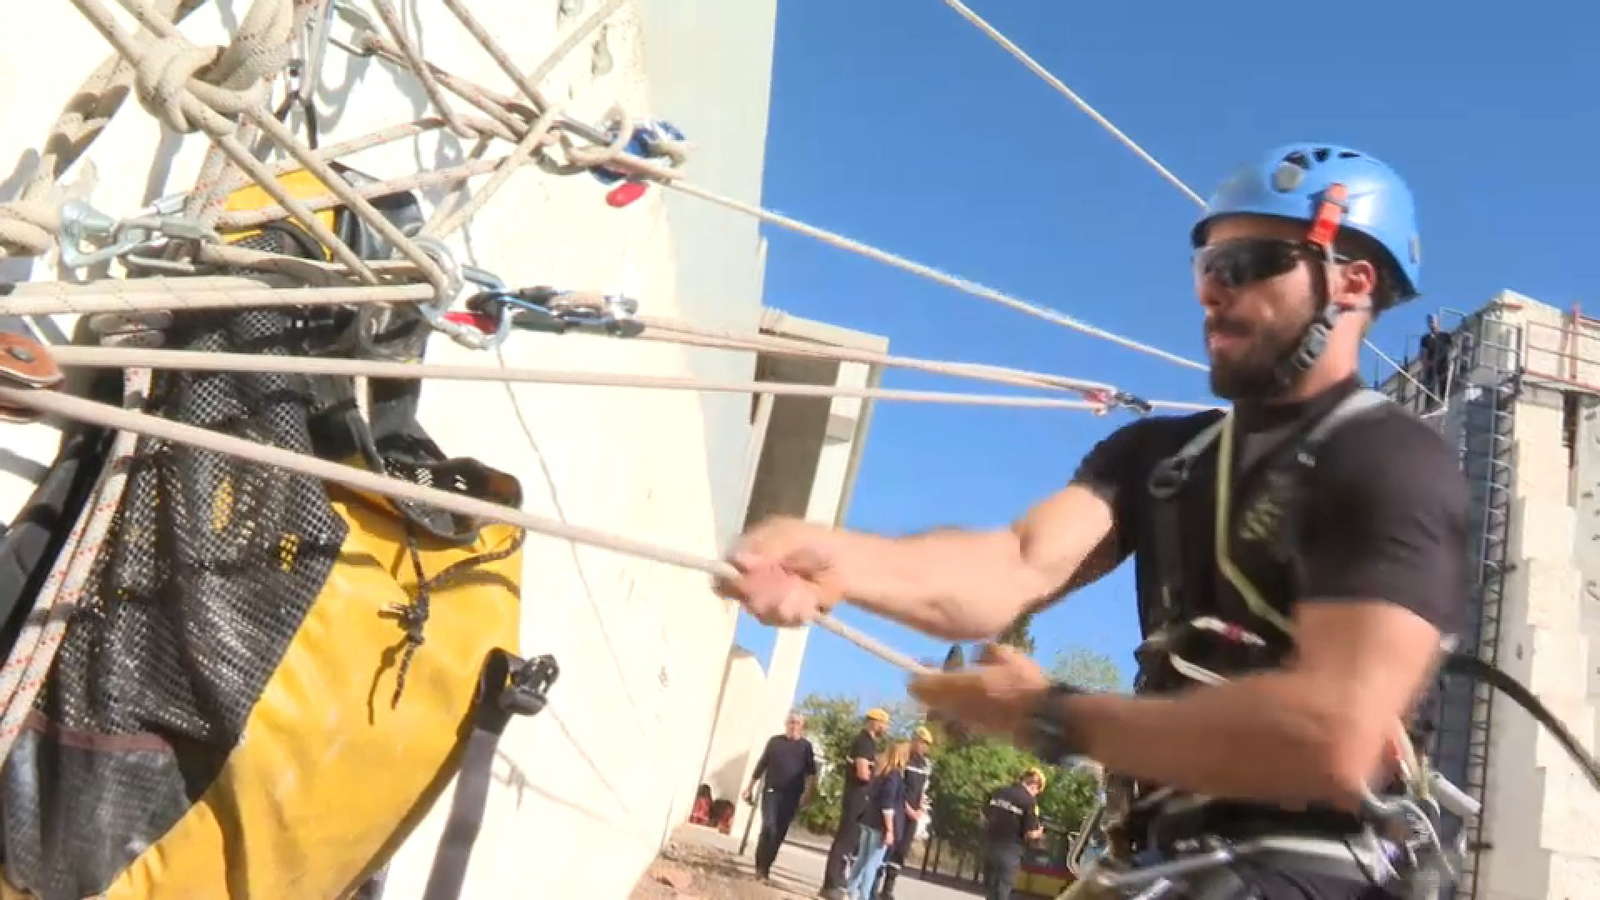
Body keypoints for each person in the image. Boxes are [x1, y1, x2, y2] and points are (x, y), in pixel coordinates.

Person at [716, 143, 1468, 900]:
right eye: (1207, 265)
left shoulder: (1390, 462)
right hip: (1157, 860)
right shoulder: (1158, 458)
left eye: (1245, 264)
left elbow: (1334, 734)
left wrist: (1055, 718)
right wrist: (843, 564)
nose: (1212, 292)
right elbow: (1015, 563)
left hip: (1314, 870)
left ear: (1351, 280)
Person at [820, 708, 890, 899]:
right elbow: (862, 773)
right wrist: (876, 775)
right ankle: (831, 884)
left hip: (860, 797)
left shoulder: (868, 743)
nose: (885, 727)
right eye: (883, 723)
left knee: (850, 842)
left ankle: (836, 881)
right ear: (873, 722)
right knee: (845, 840)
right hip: (856, 797)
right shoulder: (864, 742)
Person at [744, 711, 818, 881]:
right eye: (791, 722)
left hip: (791, 796)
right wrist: (749, 787)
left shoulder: (805, 747)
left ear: (802, 727)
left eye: (798, 723)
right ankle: (759, 867)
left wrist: (808, 793)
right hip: (771, 791)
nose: (794, 726)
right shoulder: (775, 742)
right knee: (768, 827)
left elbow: (811, 774)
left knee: (779, 832)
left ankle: (765, 868)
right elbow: (762, 764)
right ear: (786, 724)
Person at [844, 741, 912, 900]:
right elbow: (887, 804)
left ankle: (851, 890)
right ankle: (864, 895)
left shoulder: (880, 772)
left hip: (868, 819)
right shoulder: (894, 776)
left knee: (862, 858)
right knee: (872, 862)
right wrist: (889, 829)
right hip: (880, 824)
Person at [873, 726, 934, 899]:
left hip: (914, 814)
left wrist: (920, 808)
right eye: (922, 743)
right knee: (888, 849)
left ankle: (888, 889)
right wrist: (908, 809)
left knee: (901, 852)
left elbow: (922, 789)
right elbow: (899, 789)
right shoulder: (904, 759)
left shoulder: (925, 764)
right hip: (900, 810)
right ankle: (874, 886)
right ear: (915, 740)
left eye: (927, 745)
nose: (924, 747)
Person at [981, 768, 1045, 900]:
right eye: (1038, 791)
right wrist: (1039, 833)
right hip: (1010, 850)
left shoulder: (998, 792)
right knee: (1002, 891)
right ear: (1035, 785)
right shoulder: (1028, 801)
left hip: (989, 846)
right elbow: (1030, 833)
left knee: (991, 890)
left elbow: (984, 815)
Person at [1418, 313, 1453, 408]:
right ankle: (1429, 407)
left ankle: (1445, 403)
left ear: (1438, 322)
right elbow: (1422, 354)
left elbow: (1452, 349)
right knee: (1430, 388)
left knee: (1444, 386)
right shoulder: (1425, 338)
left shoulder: (1445, 336)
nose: (1431, 324)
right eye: (1429, 322)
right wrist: (1427, 364)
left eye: (1433, 321)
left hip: (1443, 364)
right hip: (1431, 366)